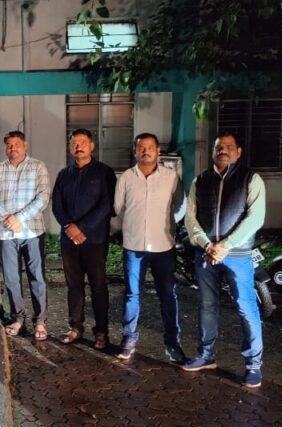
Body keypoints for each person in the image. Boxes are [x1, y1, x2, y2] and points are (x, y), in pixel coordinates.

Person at [181, 131, 267, 388]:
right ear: (213, 151)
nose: (223, 150)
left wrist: (225, 245)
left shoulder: (250, 179)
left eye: (229, 146)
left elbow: (255, 218)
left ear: (238, 152)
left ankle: (253, 364)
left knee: (246, 307)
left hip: (237, 256)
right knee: (207, 305)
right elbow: (190, 218)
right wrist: (207, 244)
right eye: (219, 146)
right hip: (206, 253)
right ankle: (206, 355)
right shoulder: (200, 181)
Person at [113, 132, 187, 362]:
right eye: (141, 148)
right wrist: (134, 225)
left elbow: (180, 206)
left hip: (163, 246)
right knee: (132, 294)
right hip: (134, 246)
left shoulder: (171, 177)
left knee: (168, 295)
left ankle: (172, 343)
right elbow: (118, 208)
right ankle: (129, 338)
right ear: (135, 151)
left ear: (157, 151)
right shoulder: (126, 178)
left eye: (150, 147)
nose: (145, 151)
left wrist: (167, 225)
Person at [51, 128, 115, 350]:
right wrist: (69, 227)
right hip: (69, 240)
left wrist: (82, 227)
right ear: (70, 147)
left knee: (98, 287)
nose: (78, 147)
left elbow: (107, 204)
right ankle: (76, 327)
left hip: (94, 239)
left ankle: (102, 332)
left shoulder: (104, 172)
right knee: (74, 286)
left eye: (83, 142)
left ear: (92, 146)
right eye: (74, 143)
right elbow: (57, 204)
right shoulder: (64, 174)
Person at [0, 131, 50, 340]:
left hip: (32, 231)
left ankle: (40, 321)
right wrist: (7, 218)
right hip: (5, 233)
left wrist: (19, 218)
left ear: (25, 145)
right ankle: (18, 318)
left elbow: (43, 197)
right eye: (9, 145)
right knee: (11, 279)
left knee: (36, 277)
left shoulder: (38, 167)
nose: (13, 148)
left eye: (17, 144)